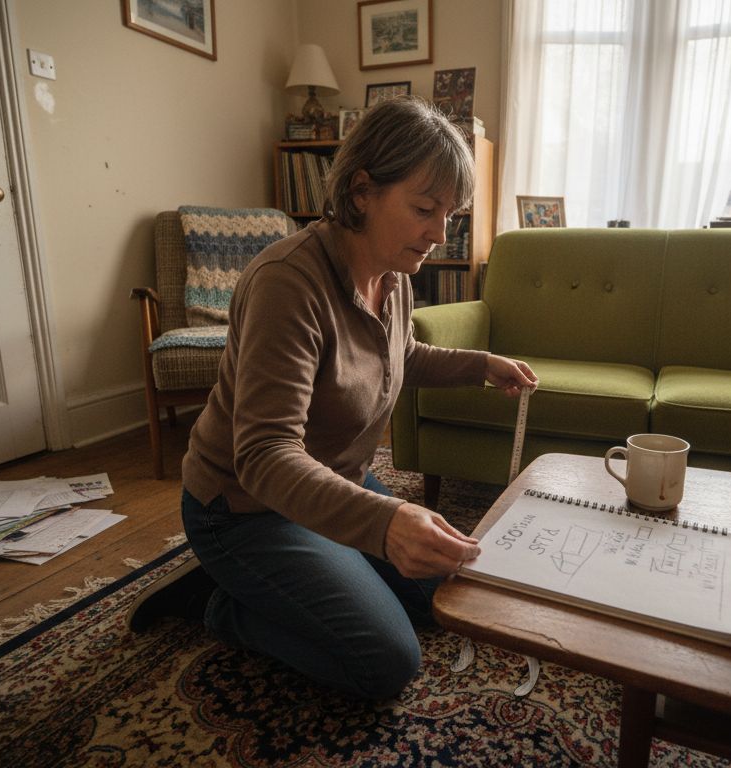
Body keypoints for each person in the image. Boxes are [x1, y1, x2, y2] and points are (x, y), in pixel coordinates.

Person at [127, 96, 538, 701]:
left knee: (446, 593)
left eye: (450, 214)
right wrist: (385, 520)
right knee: (386, 662)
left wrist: (482, 365)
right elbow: (265, 454)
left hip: (326, 484)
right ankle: (218, 602)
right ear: (362, 190)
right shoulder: (287, 284)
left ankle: (285, 577)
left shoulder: (393, 276)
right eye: (425, 208)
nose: (439, 233)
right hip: (243, 508)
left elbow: (399, 357)